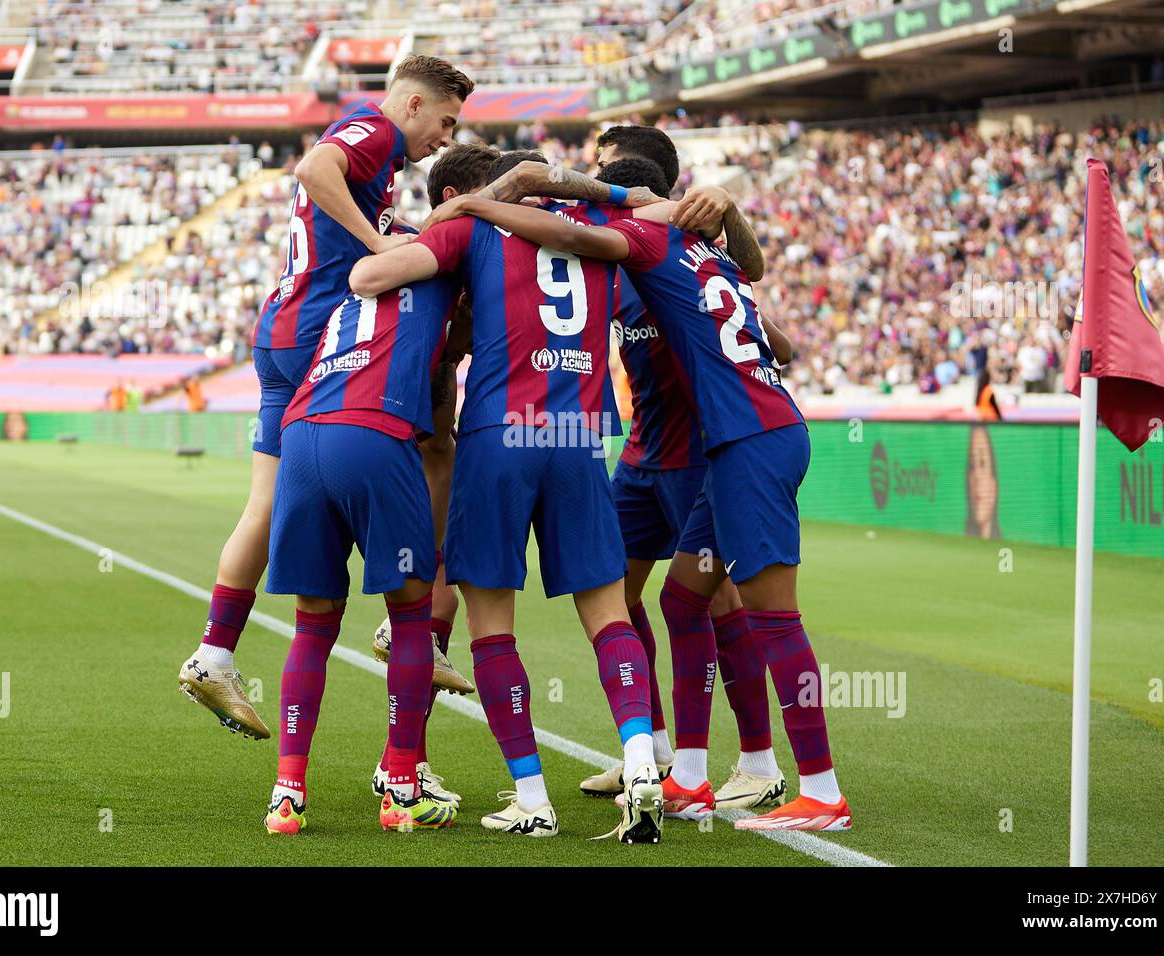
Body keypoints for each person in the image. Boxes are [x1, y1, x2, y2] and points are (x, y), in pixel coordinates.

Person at [420, 166, 853, 832]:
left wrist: (484, 203)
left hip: (746, 439)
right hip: (744, 436)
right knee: (681, 600)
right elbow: (779, 334)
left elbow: (568, 229)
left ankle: (819, 790)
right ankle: (684, 776)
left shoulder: (645, 243)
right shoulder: (710, 259)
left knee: (774, 618)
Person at [349, 167, 672, 845]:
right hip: (579, 437)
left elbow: (372, 278)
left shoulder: (477, 228)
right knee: (609, 613)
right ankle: (643, 759)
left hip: (500, 435)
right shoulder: (600, 235)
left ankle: (532, 798)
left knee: (493, 627)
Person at [177, 54, 475, 742]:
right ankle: (411, 630)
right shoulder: (372, 129)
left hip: (279, 330)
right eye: (445, 120)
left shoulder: (383, 157)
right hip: (319, 335)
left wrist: (388, 232)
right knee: (420, 445)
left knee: (267, 498)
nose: (446, 137)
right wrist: (381, 243)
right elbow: (314, 168)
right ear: (411, 105)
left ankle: (215, 651)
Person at [261, 143, 499, 835]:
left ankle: (286, 795)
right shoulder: (454, 250)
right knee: (410, 618)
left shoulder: (364, 261)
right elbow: (465, 337)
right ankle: (401, 786)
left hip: (303, 432)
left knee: (312, 624)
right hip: (372, 433)